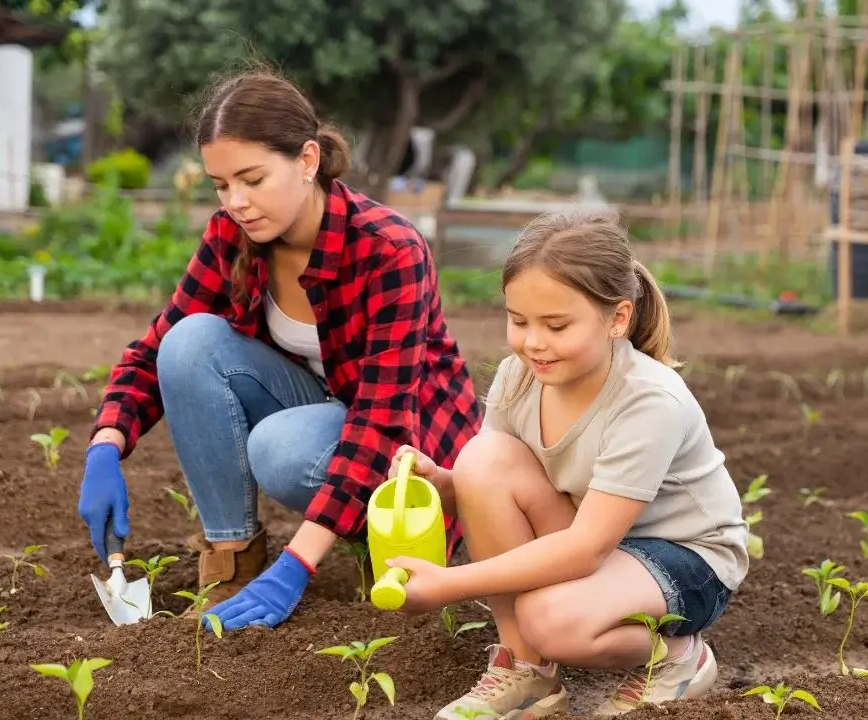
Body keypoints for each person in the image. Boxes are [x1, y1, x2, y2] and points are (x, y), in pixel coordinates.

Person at [76, 68, 483, 630]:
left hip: (413, 455)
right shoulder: (232, 237)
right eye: (222, 185)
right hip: (325, 413)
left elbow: (382, 423)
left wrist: (296, 566)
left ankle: (382, 543)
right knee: (189, 342)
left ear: (308, 161)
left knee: (277, 448)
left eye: (253, 179)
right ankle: (232, 565)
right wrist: (105, 444)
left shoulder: (389, 250)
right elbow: (153, 351)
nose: (237, 202)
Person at [381, 208, 749, 719]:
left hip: (687, 558)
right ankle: (525, 671)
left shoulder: (647, 401)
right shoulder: (520, 376)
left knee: (550, 619)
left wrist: (447, 584)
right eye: (519, 321)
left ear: (617, 319)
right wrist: (444, 483)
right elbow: (493, 480)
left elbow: (585, 548)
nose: (534, 342)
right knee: (481, 457)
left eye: (556, 325)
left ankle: (679, 655)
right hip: (601, 537)